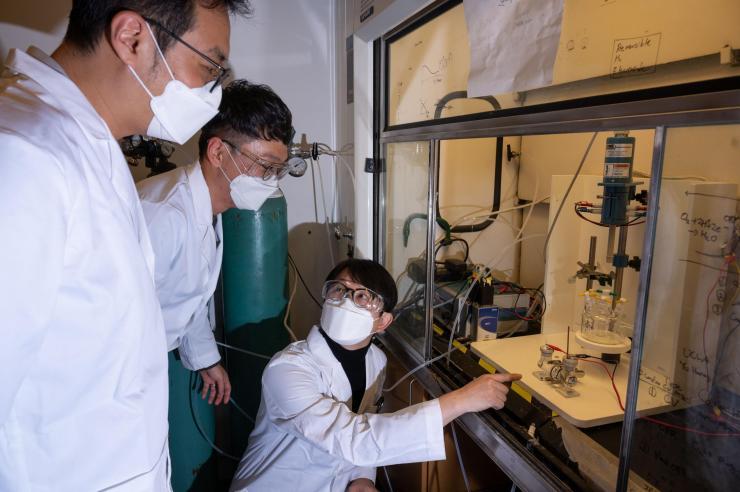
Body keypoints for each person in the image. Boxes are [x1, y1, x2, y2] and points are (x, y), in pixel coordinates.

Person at [0, 1, 251, 490]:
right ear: (133, 37)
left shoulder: (90, 145)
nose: (211, 94)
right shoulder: (23, 157)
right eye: (209, 67)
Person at [230, 259, 522, 492]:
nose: (346, 301)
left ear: (383, 321)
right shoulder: (288, 369)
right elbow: (354, 438)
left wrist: (362, 479)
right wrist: (461, 401)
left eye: (362, 297)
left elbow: (365, 421)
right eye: (339, 290)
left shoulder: (375, 361)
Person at [137, 79, 293, 406]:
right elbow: (108, 324)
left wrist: (206, 358)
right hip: (121, 368)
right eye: (265, 166)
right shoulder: (163, 218)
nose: (270, 180)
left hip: (147, 359)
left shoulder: (211, 207)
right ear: (218, 152)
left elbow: (187, 295)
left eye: (278, 170)